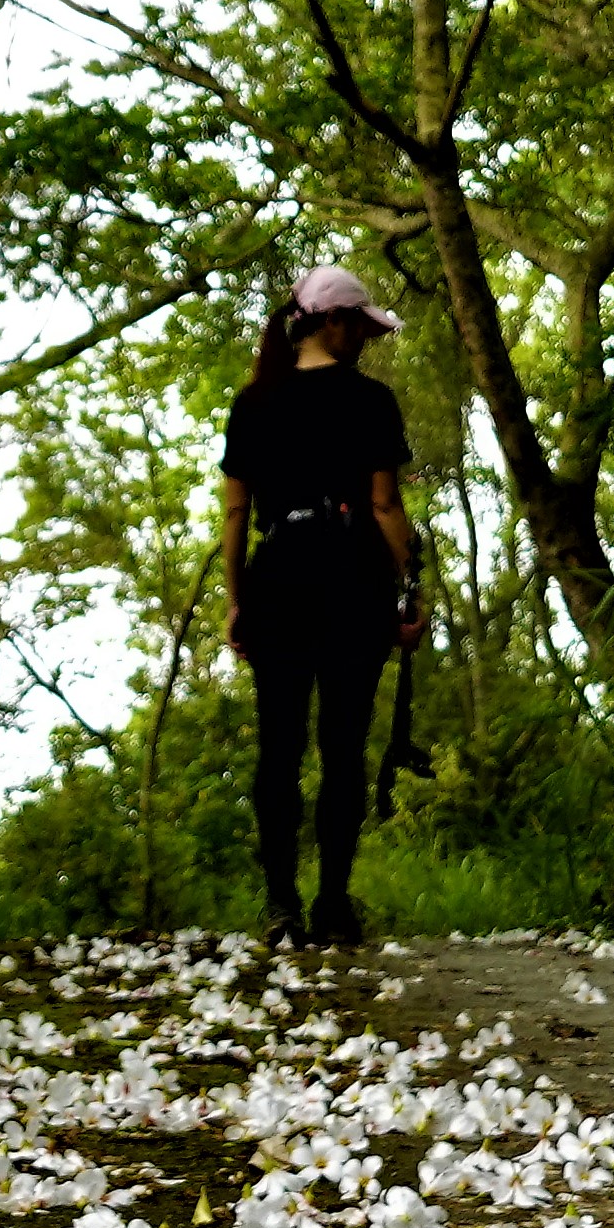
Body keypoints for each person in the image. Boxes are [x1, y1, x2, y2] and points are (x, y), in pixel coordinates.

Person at [217, 264, 420, 948]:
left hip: (278, 577)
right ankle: (332, 902)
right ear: (331, 322)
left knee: (279, 746)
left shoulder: (253, 404)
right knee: (343, 744)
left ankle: (281, 906)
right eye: (360, 328)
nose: (364, 340)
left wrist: (237, 602)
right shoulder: (370, 401)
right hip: (354, 577)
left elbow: (236, 515)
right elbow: (384, 506)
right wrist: (410, 586)